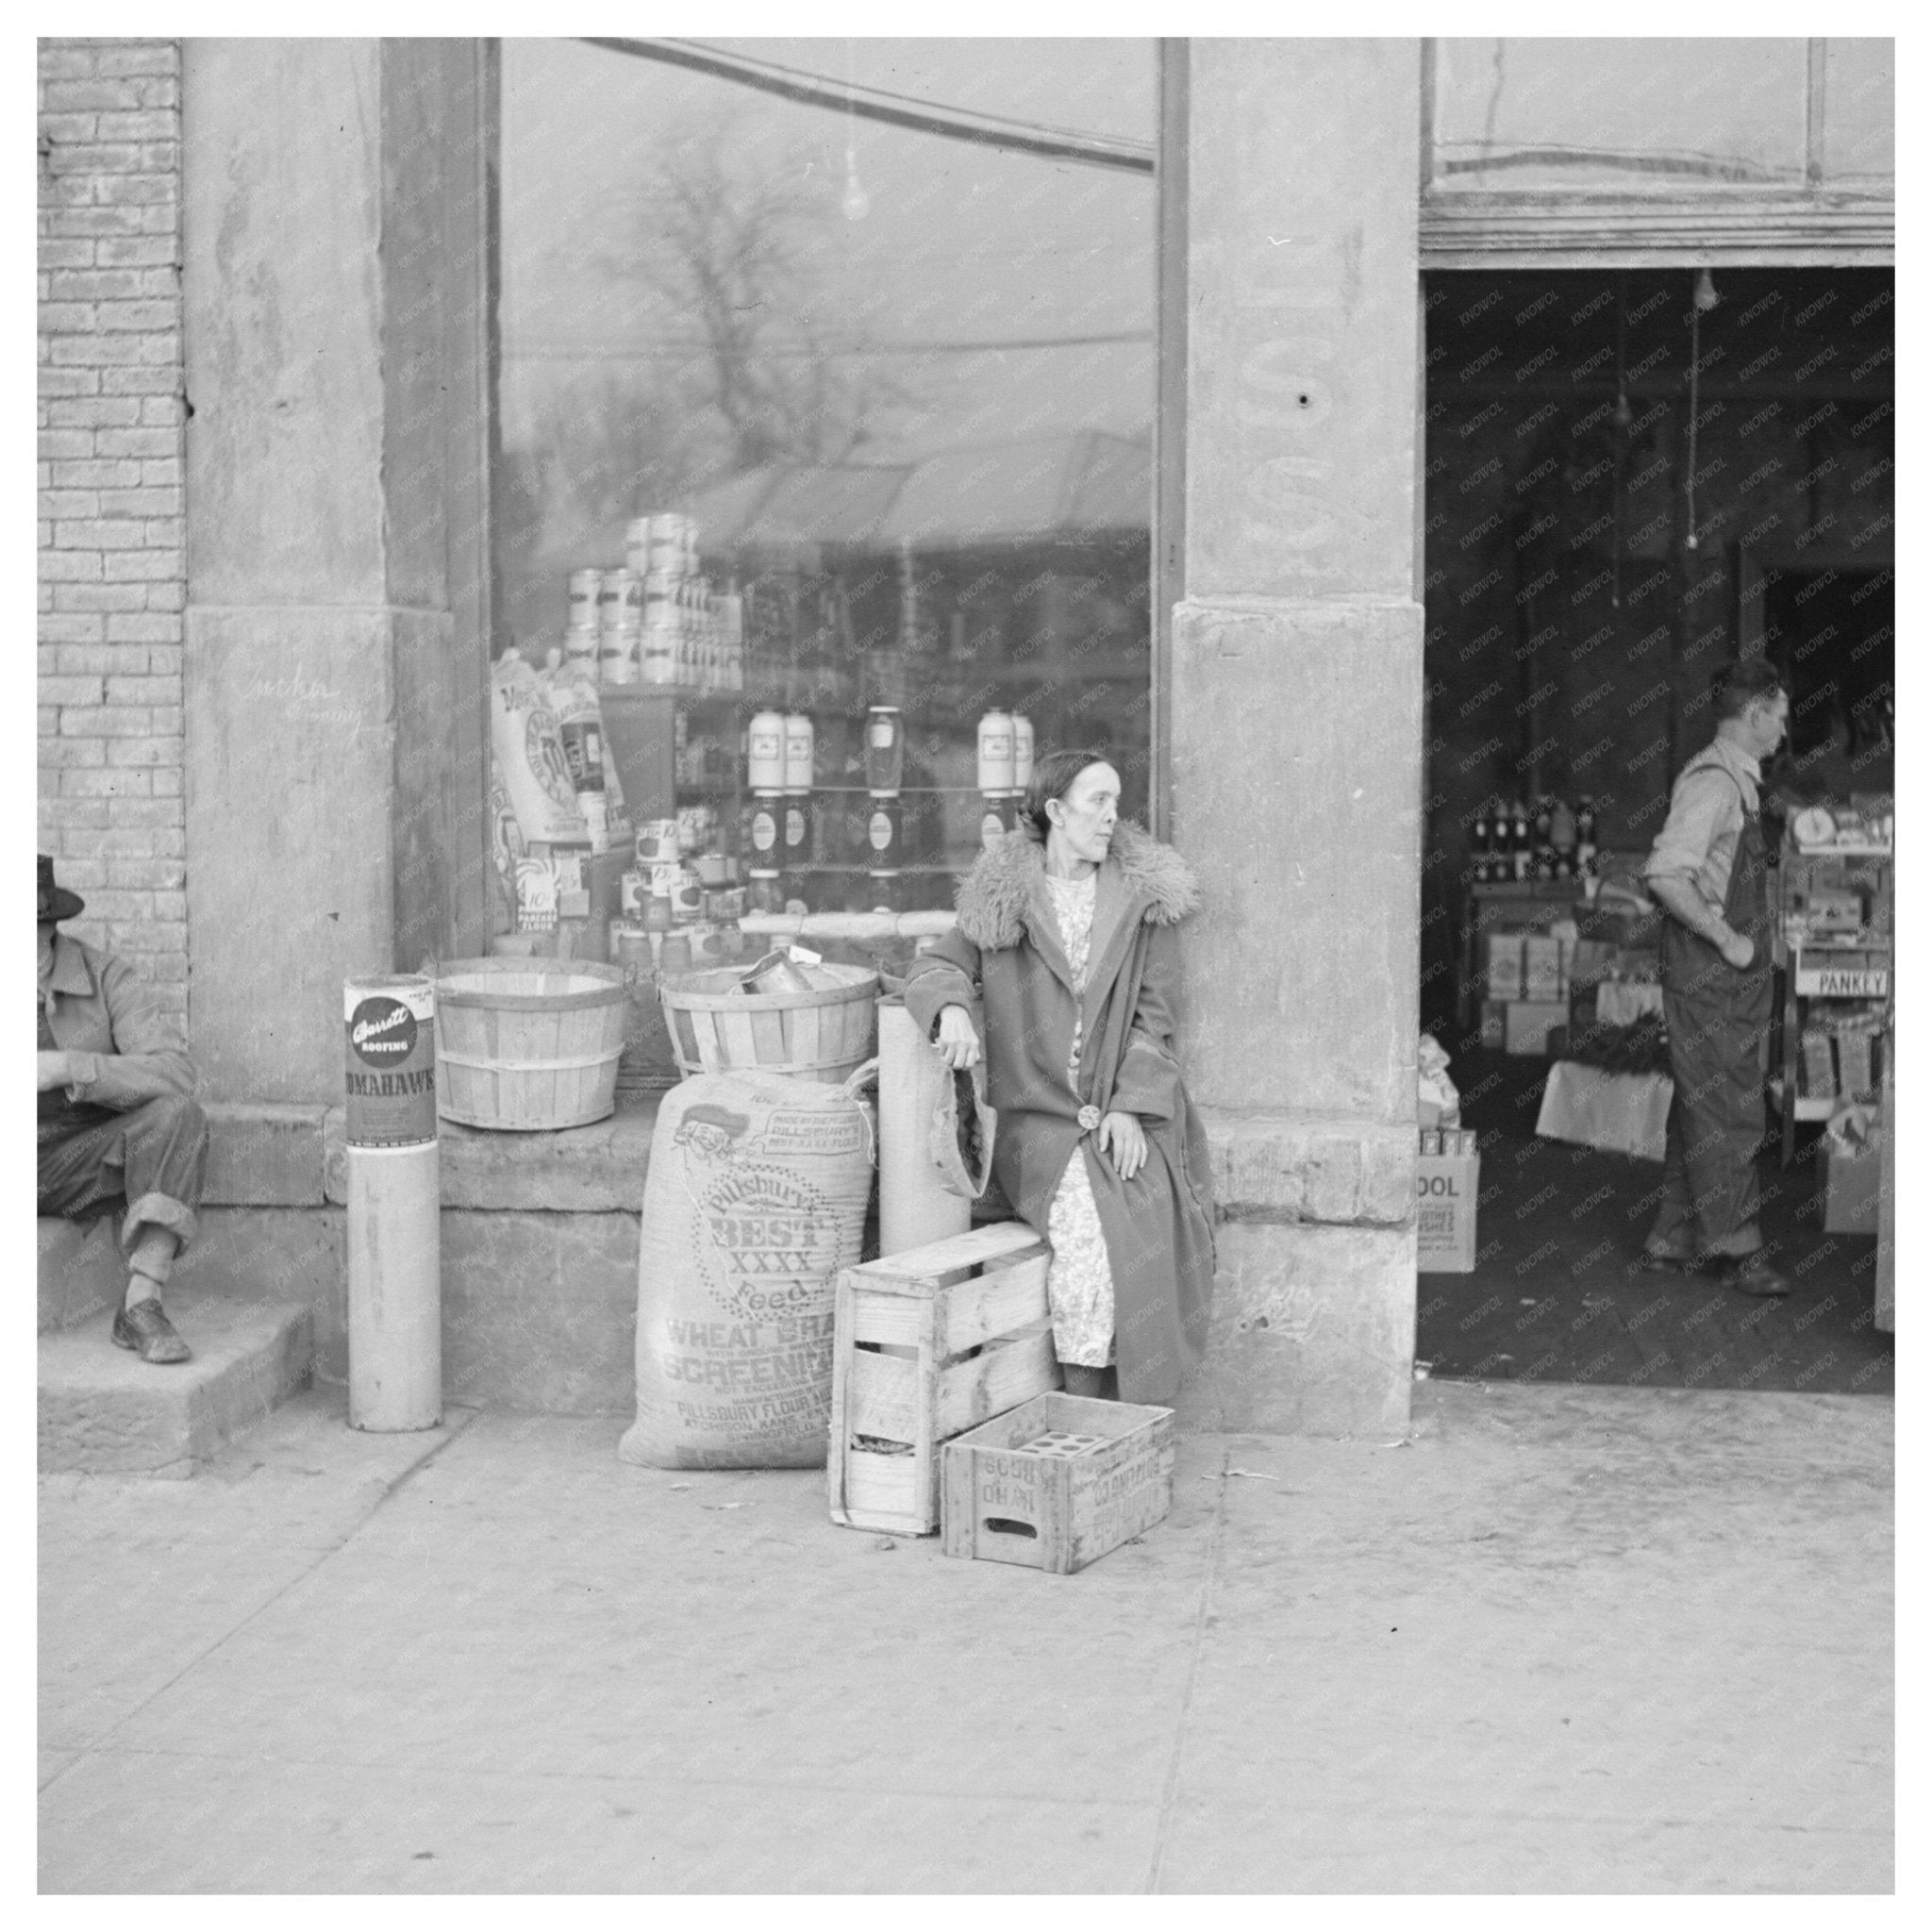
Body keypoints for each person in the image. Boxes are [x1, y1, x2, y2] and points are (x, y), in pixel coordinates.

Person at [903, 750, 1215, 1401]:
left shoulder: (1140, 902)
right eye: (1096, 800)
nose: (1111, 817)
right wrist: (952, 1011)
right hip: (1040, 1125)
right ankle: (1083, 1404)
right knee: (1088, 1232)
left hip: (1126, 1108)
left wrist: (1131, 1105)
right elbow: (937, 968)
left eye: (1116, 801)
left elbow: (1155, 1021)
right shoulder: (1004, 898)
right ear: (1054, 811)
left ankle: (1129, 1409)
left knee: (1149, 1226)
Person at [1640, 661, 1790, 1295]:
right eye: (1780, 716)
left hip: (1726, 983)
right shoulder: (1715, 786)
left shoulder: (1741, 782)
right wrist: (1728, 939)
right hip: (1709, 979)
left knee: (1704, 1103)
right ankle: (1738, 1248)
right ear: (1754, 715)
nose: (1785, 729)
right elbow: (1666, 873)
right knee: (1730, 1110)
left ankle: (1673, 1238)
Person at [37, 855, 208, 1362]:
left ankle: (141, 1302)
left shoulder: (107, 976)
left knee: (179, 1115)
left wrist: (71, 1067)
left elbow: (175, 1073)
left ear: (49, 927)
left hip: (78, 1162)